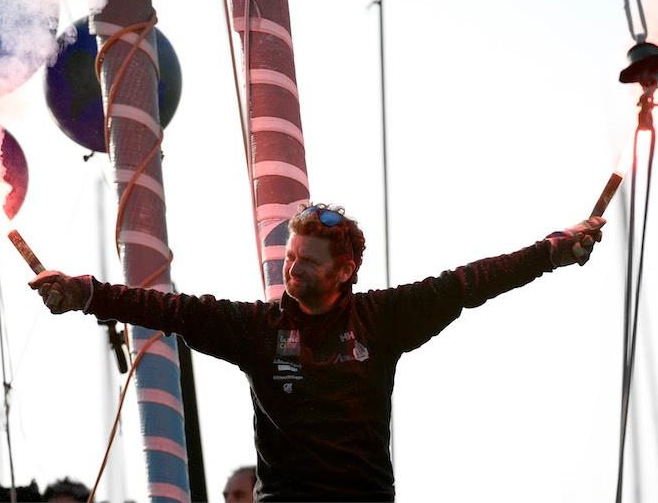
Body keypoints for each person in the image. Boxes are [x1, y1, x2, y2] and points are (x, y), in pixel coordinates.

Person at [30, 203, 605, 502]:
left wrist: (553, 250)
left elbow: (473, 280)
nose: (291, 268)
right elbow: (172, 311)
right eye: (289, 257)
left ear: (344, 269)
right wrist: (84, 292)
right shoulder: (256, 327)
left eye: (306, 261)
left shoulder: (383, 319)